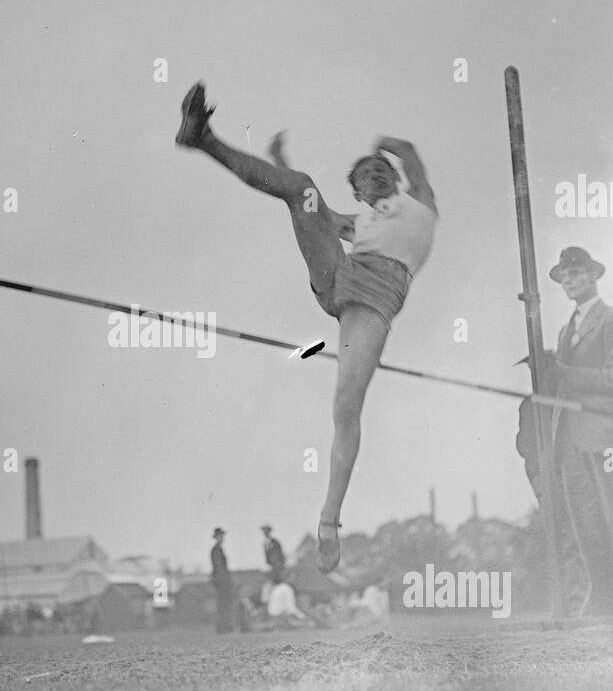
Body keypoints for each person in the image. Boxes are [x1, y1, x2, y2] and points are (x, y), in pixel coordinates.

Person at [177, 83, 438, 573]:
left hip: (373, 305)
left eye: (380, 170)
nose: (375, 176)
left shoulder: (421, 205)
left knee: (346, 406)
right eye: (364, 176)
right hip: (339, 278)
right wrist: (282, 163)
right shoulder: (354, 223)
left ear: (396, 180)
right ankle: (202, 138)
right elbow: (313, 212)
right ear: (358, 193)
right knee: (300, 188)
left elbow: (411, 156)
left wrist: (385, 144)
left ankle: (328, 522)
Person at [541, 247, 613, 618]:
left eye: (576, 272)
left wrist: (567, 373)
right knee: (587, 524)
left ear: (594, 276)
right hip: (571, 440)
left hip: (607, 437)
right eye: (563, 275)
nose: (568, 280)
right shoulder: (566, 330)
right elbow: (563, 383)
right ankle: (602, 600)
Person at [210, 527, 236, 634]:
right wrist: (225, 580)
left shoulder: (218, 549)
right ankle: (222, 627)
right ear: (216, 537)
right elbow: (219, 567)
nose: (222, 538)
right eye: (220, 536)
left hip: (223, 580)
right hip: (221, 581)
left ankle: (225, 626)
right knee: (223, 604)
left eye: (222, 536)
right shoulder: (216, 550)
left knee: (225, 603)